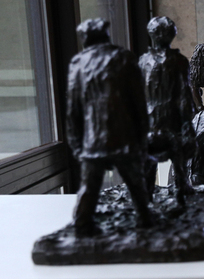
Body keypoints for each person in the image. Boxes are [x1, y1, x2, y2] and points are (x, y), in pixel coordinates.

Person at [65, 18, 153, 236]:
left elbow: (73, 110)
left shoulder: (78, 63)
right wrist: (142, 136)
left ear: (85, 39)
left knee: (89, 189)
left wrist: (76, 145)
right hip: (124, 137)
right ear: (105, 35)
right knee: (136, 184)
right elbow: (139, 103)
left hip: (93, 141)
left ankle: (82, 225)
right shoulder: (124, 57)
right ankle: (145, 221)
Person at [138, 16, 196, 206]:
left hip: (152, 120)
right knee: (178, 159)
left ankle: (148, 196)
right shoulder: (179, 61)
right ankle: (179, 192)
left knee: (152, 161)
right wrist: (188, 121)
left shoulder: (143, 61)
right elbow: (185, 94)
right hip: (170, 119)